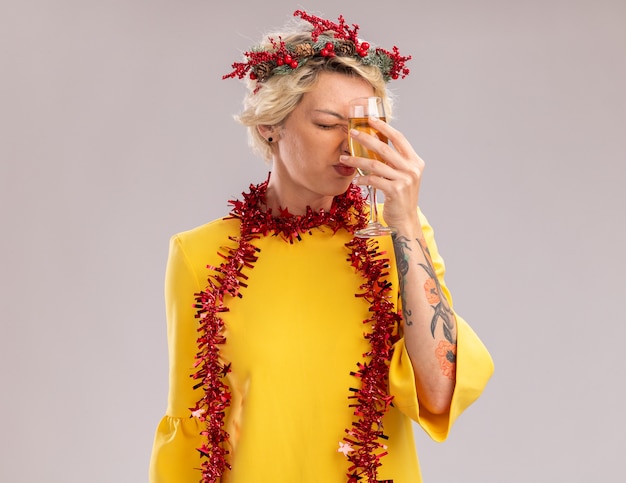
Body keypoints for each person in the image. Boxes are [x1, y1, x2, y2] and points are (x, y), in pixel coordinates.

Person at [149, 10, 494, 483]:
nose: (352, 147)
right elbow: (192, 430)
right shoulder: (198, 255)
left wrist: (406, 224)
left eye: (365, 126)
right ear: (272, 123)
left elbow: (437, 393)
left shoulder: (397, 236)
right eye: (330, 124)